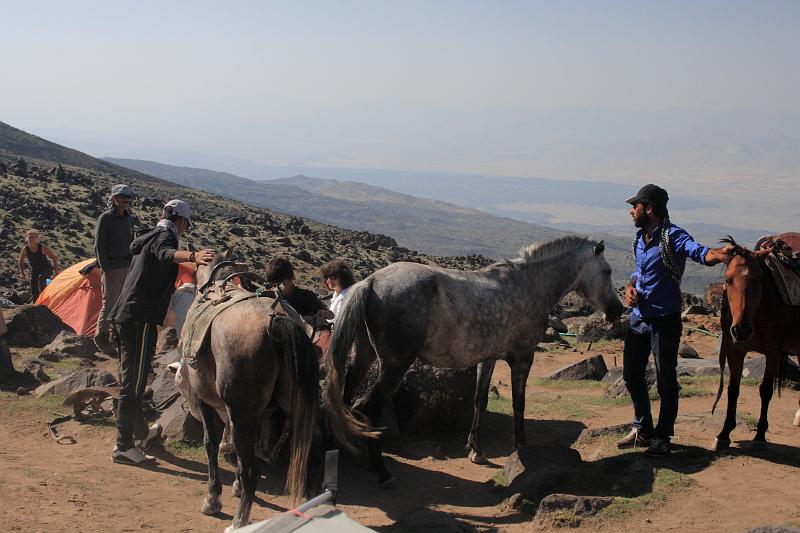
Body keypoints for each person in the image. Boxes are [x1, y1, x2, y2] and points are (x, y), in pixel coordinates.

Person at [617, 184, 732, 457]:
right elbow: (639, 270)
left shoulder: (673, 235)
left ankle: (663, 436)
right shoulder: (640, 239)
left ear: (650, 208)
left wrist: (719, 255)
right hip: (638, 319)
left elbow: (699, 252)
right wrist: (631, 286)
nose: (632, 211)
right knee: (632, 376)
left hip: (664, 321)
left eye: (636, 206)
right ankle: (642, 428)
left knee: (665, 379)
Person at [110, 199, 214, 465]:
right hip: (140, 319)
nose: (184, 231)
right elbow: (166, 252)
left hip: (125, 315)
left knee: (131, 379)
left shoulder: (146, 236)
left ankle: (138, 434)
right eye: (185, 226)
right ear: (180, 221)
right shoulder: (163, 236)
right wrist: (193, 256)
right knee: (133, 383)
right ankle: (122, 446)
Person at [93, 184, 135, 355]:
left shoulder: (128, 218)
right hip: (112, 268)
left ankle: (114, 336)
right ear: (114, 198)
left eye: (128, 197)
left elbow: (131, 241)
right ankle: (101, 337)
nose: (126, 200)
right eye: (123, 196)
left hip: (126, 266)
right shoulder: (105, 218)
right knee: (110, 303)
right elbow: (99, 245)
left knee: (122, 303)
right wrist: (106, 267)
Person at [266, 256, 334, 355]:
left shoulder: (307, 297)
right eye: (273, 285)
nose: (277, 288)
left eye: (282, 284)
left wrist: (321, 313)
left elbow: (328, 315)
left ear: (291, 279)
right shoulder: (269, 298)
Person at [18, 230, 59, 302]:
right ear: (26, 238)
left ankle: (45, 300)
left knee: (41, 280)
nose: (30, 239)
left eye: (33, 237)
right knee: (33, 285)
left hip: (46, 268)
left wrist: (56, 272)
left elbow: (54, 258)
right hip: (35, 269)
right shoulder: (25, 249)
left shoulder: (42, 247)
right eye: (29, 237)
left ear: (36, 238)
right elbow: (21, 260)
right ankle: (36, 303)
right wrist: (22, 272)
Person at [320, 259, 356, 324]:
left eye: (333, 277)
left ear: (343, 277)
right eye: (327, 277)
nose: (329, 280)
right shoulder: (336, 295)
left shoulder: (347, 296)